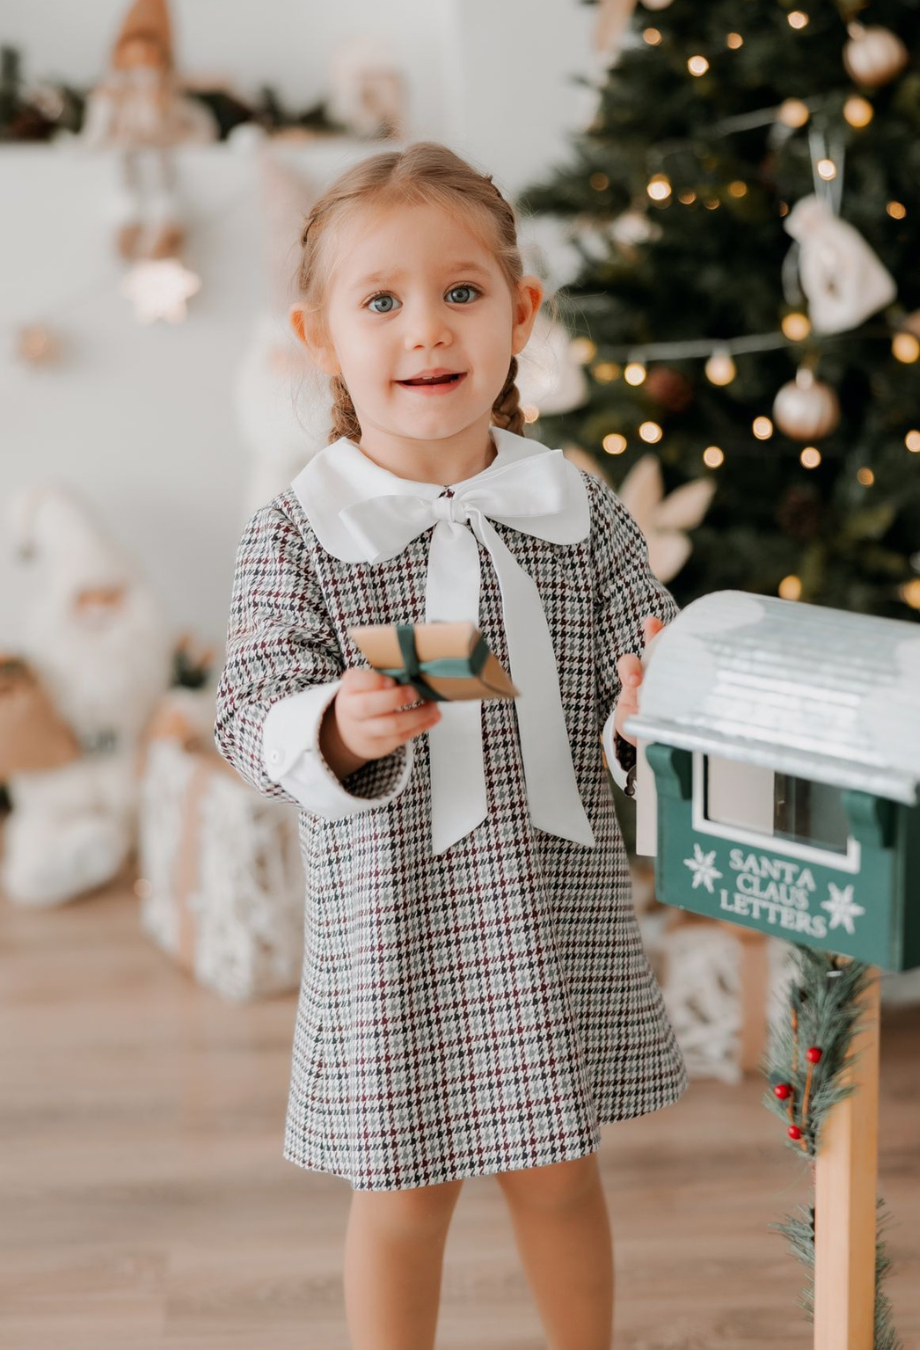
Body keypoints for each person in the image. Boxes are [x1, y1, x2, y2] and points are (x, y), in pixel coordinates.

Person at [214, 139, 688, 1350]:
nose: (426, 331)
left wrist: (650, 705)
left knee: (560, 1173)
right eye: (381, 302)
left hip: (548, 899)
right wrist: (335, 722)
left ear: (520, 315)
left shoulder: (573, 507)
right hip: (396, 919)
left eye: (461, 293)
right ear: (319, 335)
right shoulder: (299, 533)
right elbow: (249, 707)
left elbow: (652, 660)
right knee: (403, 1195)